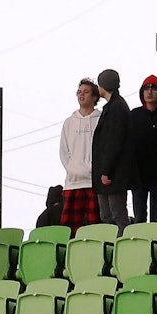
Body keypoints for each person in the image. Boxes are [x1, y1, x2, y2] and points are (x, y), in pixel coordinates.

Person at [127, 74, 157, 224]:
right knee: (139, 216)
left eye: (154, 88)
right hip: (138, 174)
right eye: (146, 88)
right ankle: (141, 246)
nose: (150, 91)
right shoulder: (134, 115)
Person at [59, 77, 103, 232]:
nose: (81, 95)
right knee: (70, 227)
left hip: (94, 182)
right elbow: (64, 152)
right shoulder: (69, 122)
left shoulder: (101, 119)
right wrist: (72, 169)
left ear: (94, 97)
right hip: (73, 182)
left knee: (94, 225)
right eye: (79, 92)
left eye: (86, 92)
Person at [91, 69, 134, 228]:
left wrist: (106, 171)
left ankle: (120, 246)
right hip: (110, 172)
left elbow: (113, 142)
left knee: (116, 214)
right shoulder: (116, 106)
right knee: (108, 215)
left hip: (113, 174)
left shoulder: (116, 108)